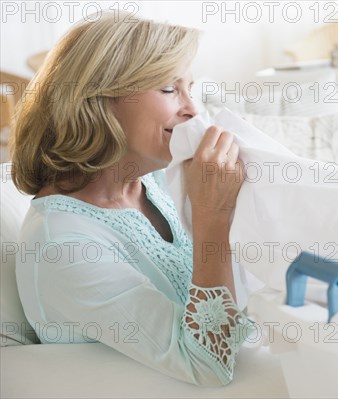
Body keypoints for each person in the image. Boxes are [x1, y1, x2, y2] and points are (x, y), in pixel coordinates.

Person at [10, 11, 250, 386]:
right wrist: (213, 215)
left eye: (190, 87)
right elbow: (209, 364)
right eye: (170, 89)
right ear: (99, 100)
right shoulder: (63, 245)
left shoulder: (153, 183)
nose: (193, 109)